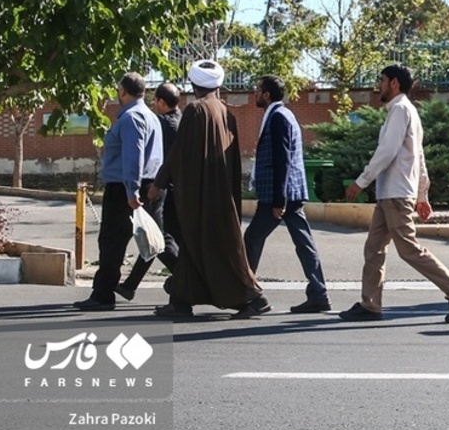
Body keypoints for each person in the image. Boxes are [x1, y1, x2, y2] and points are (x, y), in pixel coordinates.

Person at [340, 64, 449, 323]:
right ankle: (370, 305)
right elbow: (418, 156)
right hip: (392, 193)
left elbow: (388, 151)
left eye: (381, 80)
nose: (377, 85)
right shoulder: (405, 111)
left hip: (396, 193)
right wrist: (422, 194)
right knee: (374, 249)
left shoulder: (401, 110)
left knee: (408, 248)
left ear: (394, 83)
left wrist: (362, 180)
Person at [150, 60, 270, 319]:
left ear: (194, 84)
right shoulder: (226, 113)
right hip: (222, 195)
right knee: (195, 246)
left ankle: (253, 297)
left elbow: (178, 153)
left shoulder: (195, 110)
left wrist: (159, 182)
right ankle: (180, 301)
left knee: (210, 247)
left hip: (199, 195)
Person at [74, 72, 162, 311]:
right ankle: (104, 291)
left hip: (126, 187)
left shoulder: (131, 117)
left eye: (118, 90)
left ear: (123, 91)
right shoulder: (151, 116)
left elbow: (134, 156)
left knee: (112, 241)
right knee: (147, 239)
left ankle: (103, 294)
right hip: (147, 184)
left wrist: (131, 191)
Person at [243, 75, 330, 314]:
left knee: (251, 239)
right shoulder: (283, 114)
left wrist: (278, 200)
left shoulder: (278, 117)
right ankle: (319, 293)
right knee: (304, 242)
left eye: (258, 90)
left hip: (278, 195)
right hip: (289, 193)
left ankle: (249, 296)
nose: (255, 94)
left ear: (267, 94)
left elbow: (283, 159)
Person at [117, 82, 182, 301]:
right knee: (157, 237)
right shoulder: (182, 121)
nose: (153, 106)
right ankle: (129, 285)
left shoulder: (162, 124)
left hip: (163, 189)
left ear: (162, 102)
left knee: (159, 239)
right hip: (179, 190)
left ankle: (188, 279)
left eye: (156, 102)